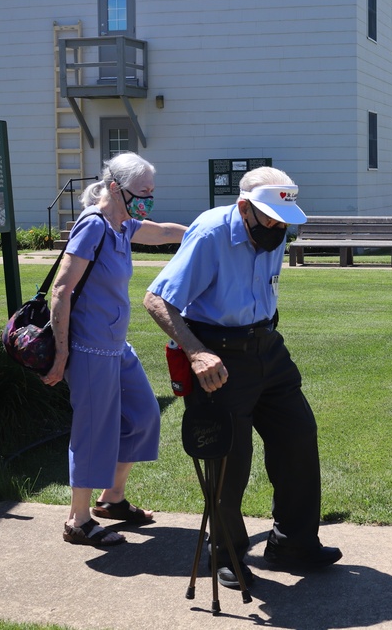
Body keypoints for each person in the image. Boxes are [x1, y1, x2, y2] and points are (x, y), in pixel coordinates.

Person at [143, 166, 341, 589]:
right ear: (243, 207)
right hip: (217, 356)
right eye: (269, 218)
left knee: (298, 435)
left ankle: (293, 542)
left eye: (283, 220)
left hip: (268, 348)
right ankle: (226, 554)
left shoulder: (277, 227)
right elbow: (157, 298)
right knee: (229, 461)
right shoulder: (211, 233)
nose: (277, 228)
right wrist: (197, 352)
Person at [42, 152, 187, 548]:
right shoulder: (93, 226)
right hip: (88, 349)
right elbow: (61, 289)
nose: (147, 200)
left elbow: (162, 232)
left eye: (151, 193)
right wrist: (60, 354)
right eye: (141, 193)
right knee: (94, 431)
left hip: (115, 346)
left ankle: (113, 500)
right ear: (113, 187)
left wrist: (204, 231)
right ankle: (78, 520)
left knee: (143, 416)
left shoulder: (123, 226)